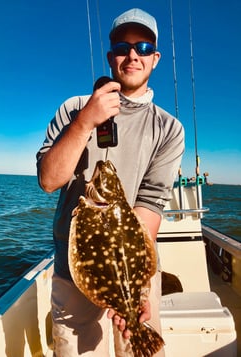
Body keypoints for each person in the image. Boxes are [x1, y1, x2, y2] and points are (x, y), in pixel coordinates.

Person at [36, 8, 184, 357]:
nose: (133, 55)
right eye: (123, 46)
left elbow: (149, 205)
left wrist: (136, 290)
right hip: (74, 270)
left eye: (144, 47)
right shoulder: (74, 108)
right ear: (110, 56)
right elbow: (48, 180)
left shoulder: (169, 128)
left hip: (133, 270)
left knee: (140, 348)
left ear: (155, 58)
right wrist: (86, 121)